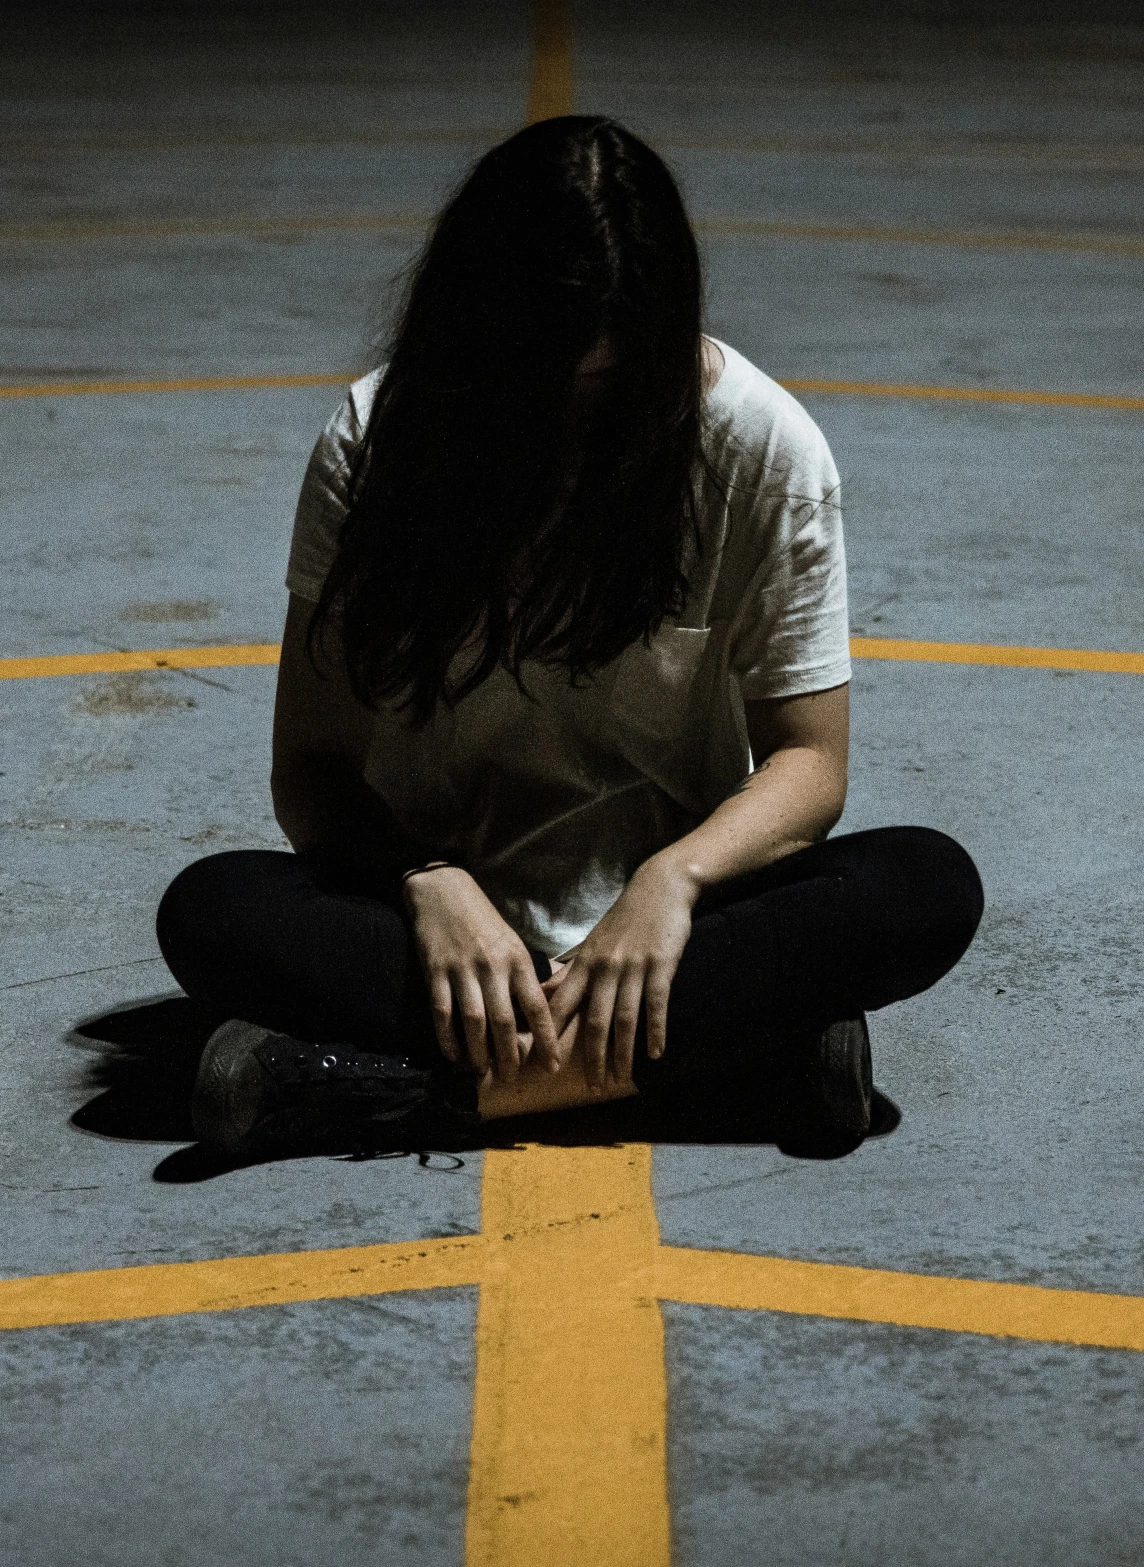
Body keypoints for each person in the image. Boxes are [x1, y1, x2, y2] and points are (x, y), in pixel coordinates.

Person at [156, 116, 981, 1160]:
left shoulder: (760, 445)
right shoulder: (375, 443)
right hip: (441, 928)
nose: (569, 422)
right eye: (532, 382)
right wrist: (428, 885)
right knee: (210, 909)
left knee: (924, 885)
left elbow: (810, 762)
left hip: (672, 931)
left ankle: (382, 1087)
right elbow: (312, 766)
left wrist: (668, 885)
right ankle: (738, 1060)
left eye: (605, 390)